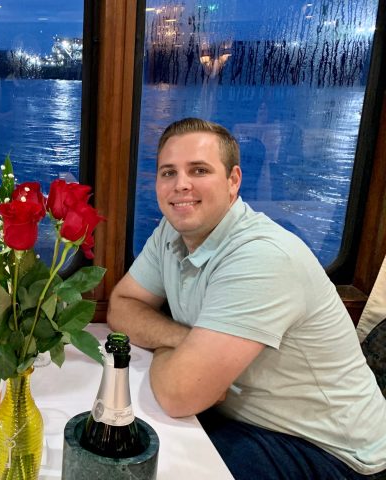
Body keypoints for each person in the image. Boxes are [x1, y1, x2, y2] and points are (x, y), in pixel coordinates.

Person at [108, 118, 386, 479]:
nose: (181, 185)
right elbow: (122, 306)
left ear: (233, 181)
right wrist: (183, 342)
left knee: (149, 467)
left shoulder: (262, 257)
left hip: (332, 451)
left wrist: (179, 356)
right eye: (168, 173)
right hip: (245, 420)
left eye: (199, 170)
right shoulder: (170, 232)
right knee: (117, 437)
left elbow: (179, 394)